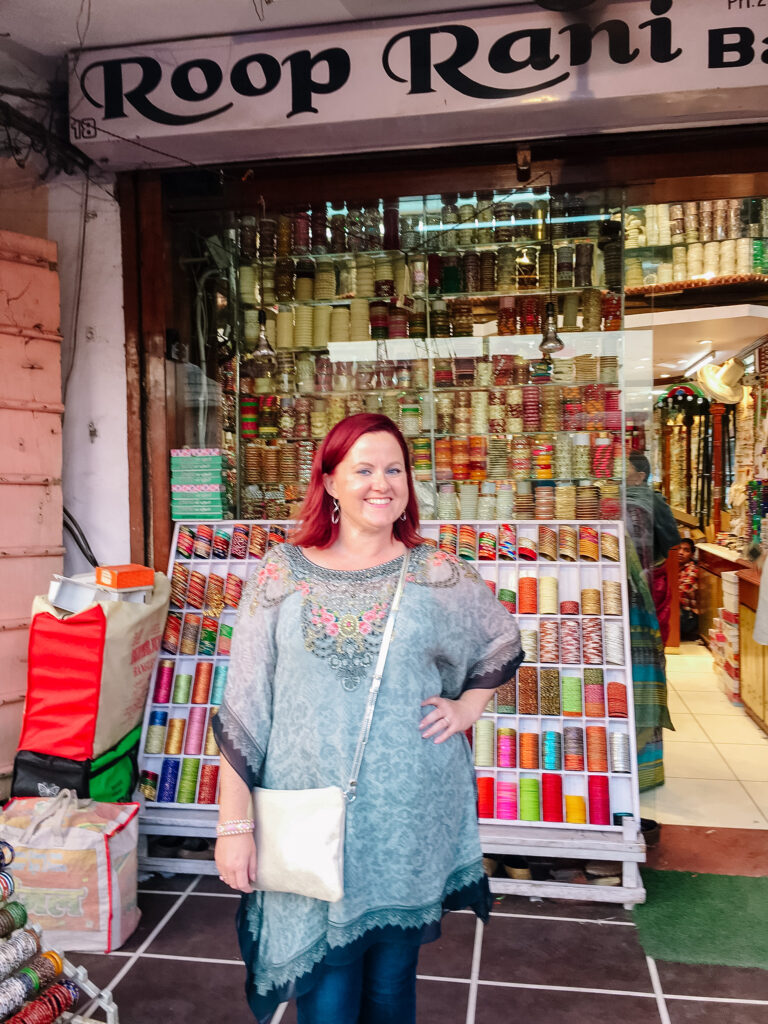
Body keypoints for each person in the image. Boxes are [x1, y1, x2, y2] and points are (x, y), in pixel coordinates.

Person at [213, 413, 523, 1024]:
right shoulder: (280, 575)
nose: (381, 483)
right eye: (362, 469)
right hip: (307, 814)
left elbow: (499, 638)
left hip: (404, 814)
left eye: (394, 469)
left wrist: (467, 707)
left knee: (389, 989)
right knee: (327, 998)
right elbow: (245, 705)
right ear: (328, 482)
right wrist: (234, 826)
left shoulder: (435, 571)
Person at [625, 450, 682, 647]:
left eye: (626, 467)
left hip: (650, 575)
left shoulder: (653, 500)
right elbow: (670, 538)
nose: (621, 472)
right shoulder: (614, 496)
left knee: (651, 626)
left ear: (641, 477)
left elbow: (671, 538)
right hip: (629, 575)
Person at [678, 538, 699, 642]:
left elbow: (681, 594)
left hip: (687, 618)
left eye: (686, 550)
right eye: (679, 549)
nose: (681, 553)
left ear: (692, 555)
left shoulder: (692, 570)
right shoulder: (675, 567)